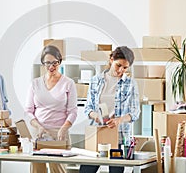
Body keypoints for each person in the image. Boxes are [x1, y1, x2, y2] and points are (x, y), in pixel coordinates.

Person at [79, 46, 140, 173]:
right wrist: (95, 115)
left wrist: (119, 120)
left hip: (119, 137)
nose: (121, 70)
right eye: (118, 65)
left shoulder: (131, 84)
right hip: (97, 134)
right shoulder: (96, 80)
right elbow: (88, 108)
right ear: (111, 59)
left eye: (125, 67)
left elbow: (135, 112)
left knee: (116, 171)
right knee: (85, 170)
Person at [25, 45, 78, 173]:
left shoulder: (68, 83)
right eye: (48, 63)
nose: (51, 66)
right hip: (39, 132)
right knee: (37, 169)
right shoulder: (35, 83)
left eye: (55, 62)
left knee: (58, 169)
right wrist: (38, 126)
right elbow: (28, 111)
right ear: (43, 63)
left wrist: (63, 129)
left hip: (59, 133)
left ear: (60, 62)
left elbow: (73, 111)